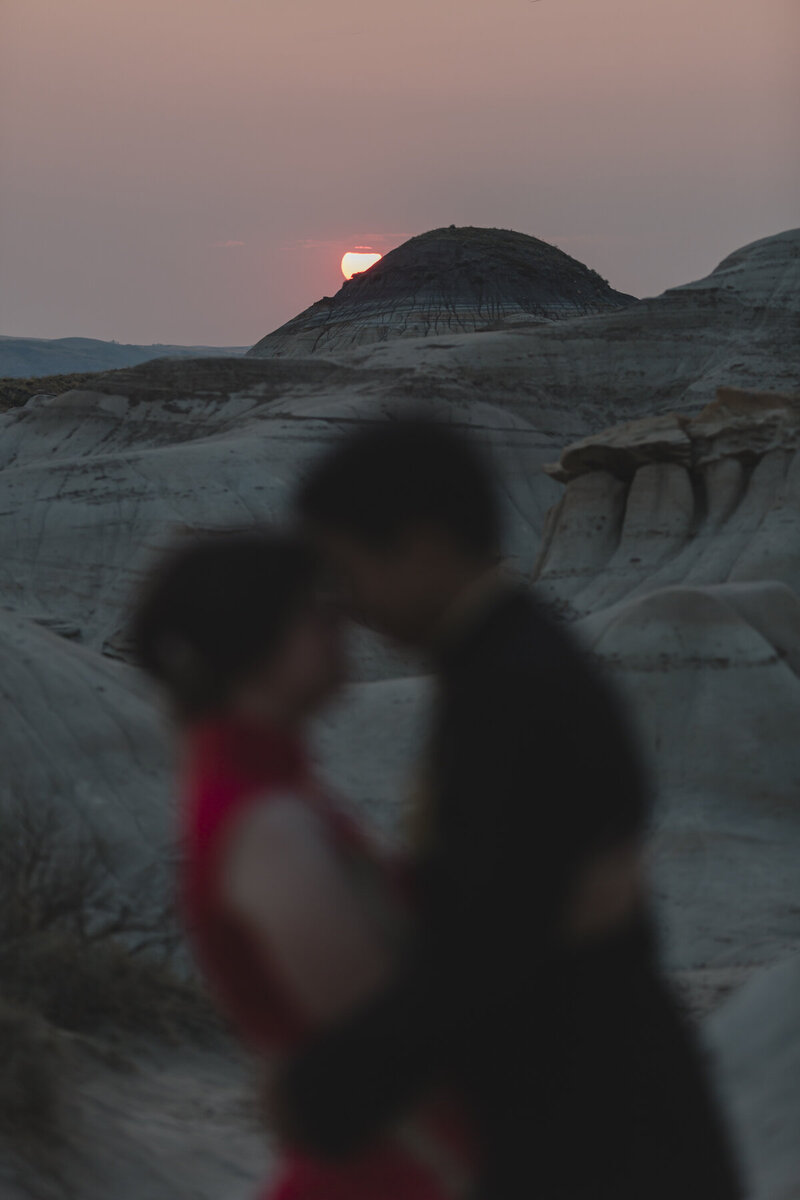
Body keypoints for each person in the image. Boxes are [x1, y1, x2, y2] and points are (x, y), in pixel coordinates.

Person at [277, 417, 742, 1199]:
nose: (347, 604)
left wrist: (329, 1086)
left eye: (348, 572)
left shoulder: (512, 690)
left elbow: (490, 943)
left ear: (422, 550)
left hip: (594, 1137)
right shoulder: (511, 661)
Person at [130, 530, 479, 1200]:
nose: (340, 627)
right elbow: (383, 1035)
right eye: (318, 614)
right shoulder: (269, 823)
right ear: (254, 640)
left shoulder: (266, 792)